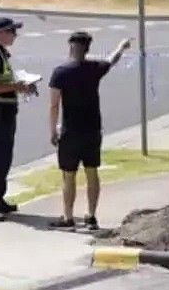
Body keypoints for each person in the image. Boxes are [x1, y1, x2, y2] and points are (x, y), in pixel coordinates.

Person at [48, 32, 132, 230]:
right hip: (92, 129)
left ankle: (68, 216)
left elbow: (54, 105)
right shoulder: (94, 68)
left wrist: (52, 130)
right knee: (92, 172)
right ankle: (91, 215)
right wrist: (121, 46)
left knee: (68, 175)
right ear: (87, 49)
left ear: (70, 47)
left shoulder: (60, 72)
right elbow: (112, 60)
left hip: (70, 130)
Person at [0, 16, 35, 222]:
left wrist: (20, 84)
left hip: (4, 110)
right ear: (0, 33)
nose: (15, 35)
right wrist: (17, 87)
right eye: (11, 31)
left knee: (5, 156)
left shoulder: (1, 54)